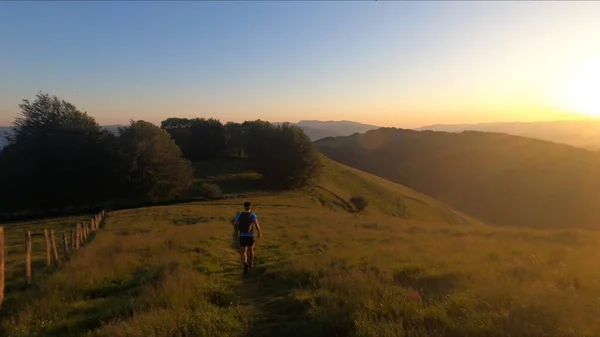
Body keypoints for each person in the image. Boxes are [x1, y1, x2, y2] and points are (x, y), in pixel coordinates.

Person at [233, 201, 262, 274]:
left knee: (243, 252)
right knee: (251, 250)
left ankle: (245, 262)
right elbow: (257, 226)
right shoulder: (253, 215)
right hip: (250, 235)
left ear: (244, 207)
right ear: (250, 207)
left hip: (242, 235)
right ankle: (251, 263)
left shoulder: (240, 214)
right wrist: (259, 233)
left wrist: (237, 230)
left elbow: (235, 223)